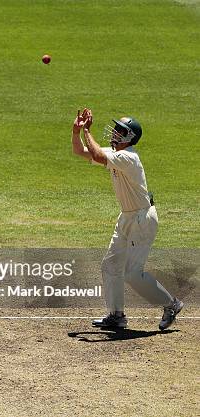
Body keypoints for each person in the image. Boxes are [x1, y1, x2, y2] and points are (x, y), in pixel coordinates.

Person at [71, 108, 183, 330]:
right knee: (111, 265)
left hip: (142, 219)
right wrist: (76, 132)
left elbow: (96, 154)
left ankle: (171, 305)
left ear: (130, 137)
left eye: (120, 131)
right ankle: (116, 315)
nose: (114, 133)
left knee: (132, 273)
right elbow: (82, 152)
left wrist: (87, 130)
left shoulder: (128, 157)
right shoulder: (118, 156)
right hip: (127, 217)